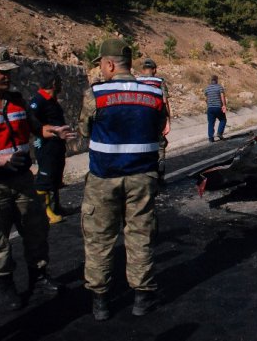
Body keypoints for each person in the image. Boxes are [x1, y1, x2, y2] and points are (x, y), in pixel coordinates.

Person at [78, 39, 167, 320]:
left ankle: (101, 302)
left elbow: (84, 131)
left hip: (104, 178)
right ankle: (142, 298)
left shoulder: (96, 94)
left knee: (99, 239)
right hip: (142, 177)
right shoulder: (154, 94)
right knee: (140, 236)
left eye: (102, 66)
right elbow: (158, 131)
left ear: (109, 64)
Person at [0, 46, 72, 311]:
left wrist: (52, 131)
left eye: (10, 72)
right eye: (2, 72)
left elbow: (35, 128)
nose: (8, 77)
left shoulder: (17, 100)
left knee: (36, 229)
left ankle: (39, 278)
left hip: (22, 179)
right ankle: (6, 285)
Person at [30, 71, 68, 224]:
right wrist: (46, 130)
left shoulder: (52, 100)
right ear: (54, 84)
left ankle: (56, 206)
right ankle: (45, 211)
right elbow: (32, 120)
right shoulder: (38, 100)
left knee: (55, 176)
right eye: (59, 82)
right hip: (46, 145)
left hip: (57, 145)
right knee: (45, 178)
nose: (60, 86)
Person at [137, 58, 171, 183]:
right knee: (160, 146)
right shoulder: (159, 81)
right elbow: (165, 101)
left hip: (140, 119)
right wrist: (168, 121)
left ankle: (143, 176)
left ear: (143, 70)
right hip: (157, 118)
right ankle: (160, 175)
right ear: (155, 70)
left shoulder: (136, 82)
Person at [204, 75, 227, 142]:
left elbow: (206, 98)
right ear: (216, 80)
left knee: (211, 123)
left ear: (211, 80)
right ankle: (219, 133)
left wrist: (208, 105)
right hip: (218, 107)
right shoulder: (219, 87)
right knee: (223, 120)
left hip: (210, 108)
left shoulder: (207, 88)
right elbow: (222, 97)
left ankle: (211, 138)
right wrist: (224, 105)